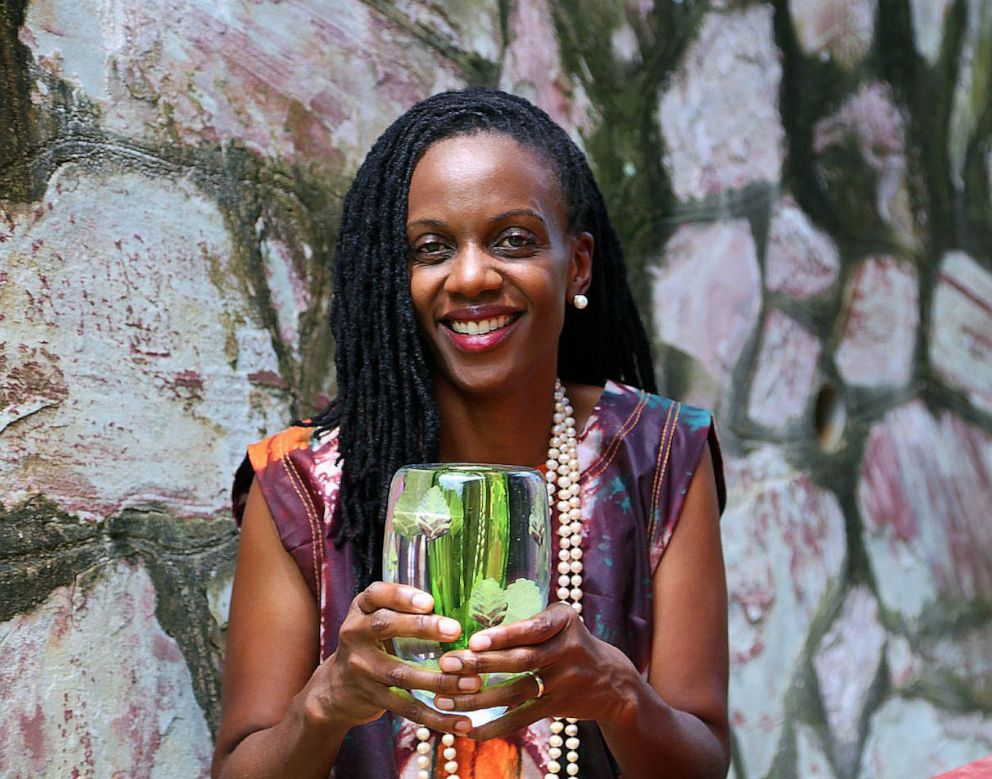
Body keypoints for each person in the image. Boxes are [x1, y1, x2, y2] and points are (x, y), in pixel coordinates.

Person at [213, 88, 729, 779]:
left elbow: (702, 762)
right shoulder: (303, 485)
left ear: (576, 263)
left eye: (513, 239)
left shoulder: (656, 454)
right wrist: (329, 700)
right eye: (432, 248)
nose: (472, 276)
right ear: (398, 277)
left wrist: (615, 690)